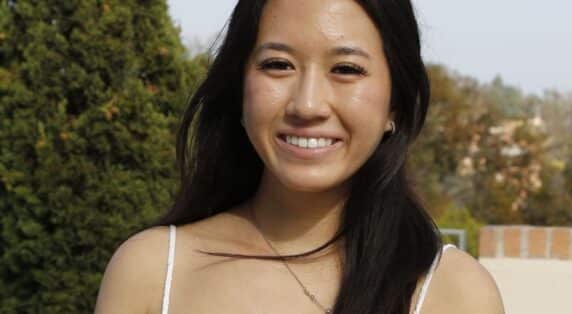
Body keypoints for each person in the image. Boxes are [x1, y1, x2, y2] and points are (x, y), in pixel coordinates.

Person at [95, 0, 505, 313]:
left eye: (346, 69)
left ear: (394, 105)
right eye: (278, 65)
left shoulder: (451, 293)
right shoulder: (152, 271)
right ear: (239, 89)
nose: (307, 105)